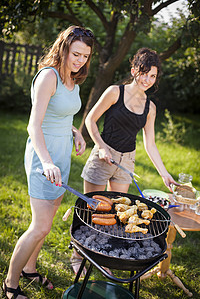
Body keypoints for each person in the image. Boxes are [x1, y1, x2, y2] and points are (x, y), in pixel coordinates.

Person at [3, 25, 94, 299]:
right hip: (45, 160)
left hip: (62, 155)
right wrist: (46, 162)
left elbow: (62, 115)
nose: (80, 60)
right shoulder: (48, 77)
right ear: (63, 47)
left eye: (85, 56)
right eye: (75, 54)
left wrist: (76, 132)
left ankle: (30, 269)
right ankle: (10, 283)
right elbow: (34, 125)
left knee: (49, 220)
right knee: (39, 226)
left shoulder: (72, 79)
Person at [70, 47, 178, 277]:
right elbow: (90, 119)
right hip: (103, 154)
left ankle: (101, 253)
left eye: (152, 76)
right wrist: (100, 146)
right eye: (144, 73)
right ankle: (78, 255)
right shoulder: (114, 92)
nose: (147, 80)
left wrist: (164, 173)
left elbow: (150, 144)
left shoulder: (150, 107)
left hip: (126, 161)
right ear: (134, 70)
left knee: (118, 215)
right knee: (91, 209)